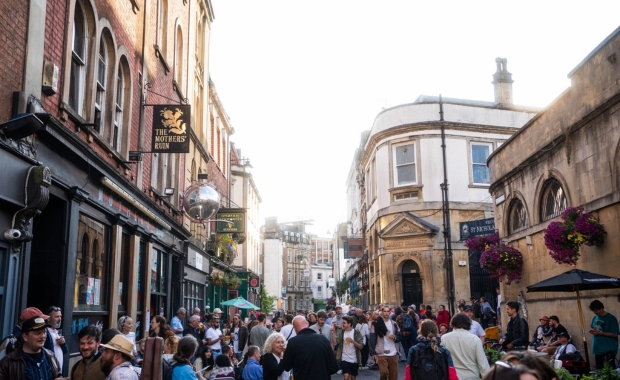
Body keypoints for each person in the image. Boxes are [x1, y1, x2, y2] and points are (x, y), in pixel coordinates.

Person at [279, 315, 339, 380]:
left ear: (294, 329)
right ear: (307, 324)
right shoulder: (323, 339)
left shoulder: (293, 342)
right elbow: (334, 367)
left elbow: (287, 367)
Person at [441, 313, 489, 380]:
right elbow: (483, 365)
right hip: (472, 376)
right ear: (468, 323)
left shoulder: (444, 338)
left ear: (453, 323)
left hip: (452, 376)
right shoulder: (475, 339)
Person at [369, 306, 400, 380]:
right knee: (384, 373)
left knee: (394, 375)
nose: (386, 313)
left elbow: (399, 334)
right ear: (382, 312)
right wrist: (373, 353)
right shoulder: (376, 323)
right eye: (385, 311)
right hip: (381, 352)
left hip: (393, 352)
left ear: (390, 312)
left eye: (388, 311)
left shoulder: (393, 323)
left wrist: (394, 337)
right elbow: (372, 338)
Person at [588, 299, 619, 369]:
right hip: (597, 349)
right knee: (599, 370)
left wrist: (599, 333)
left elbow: (615, 334)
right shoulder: (595, 317)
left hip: (608, 349)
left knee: (609, 370)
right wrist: (593, 331)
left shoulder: (611, 318)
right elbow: (594, 328)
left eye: (596, 310)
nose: (594, 312)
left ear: (601, 308)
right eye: (593, 310)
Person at [336, 316, 364, 380]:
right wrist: (332, 333)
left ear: (349, 324)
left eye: (344, 323)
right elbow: (336, 343)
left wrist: (352, 341)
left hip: (354, 359)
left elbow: (360, 346)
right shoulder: (342, 332)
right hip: (344, 357)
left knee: (353, 377)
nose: (342, 324)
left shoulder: (356, 333)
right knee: (346, 376)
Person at [44, 306, 67, 373]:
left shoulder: (57, 332)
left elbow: (65, 351)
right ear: (48, 319)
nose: (60, 319)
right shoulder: (45, 333)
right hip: (50, 371)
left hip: (60, 371)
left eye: (60, 316)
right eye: (57, 317)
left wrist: (63, 344)